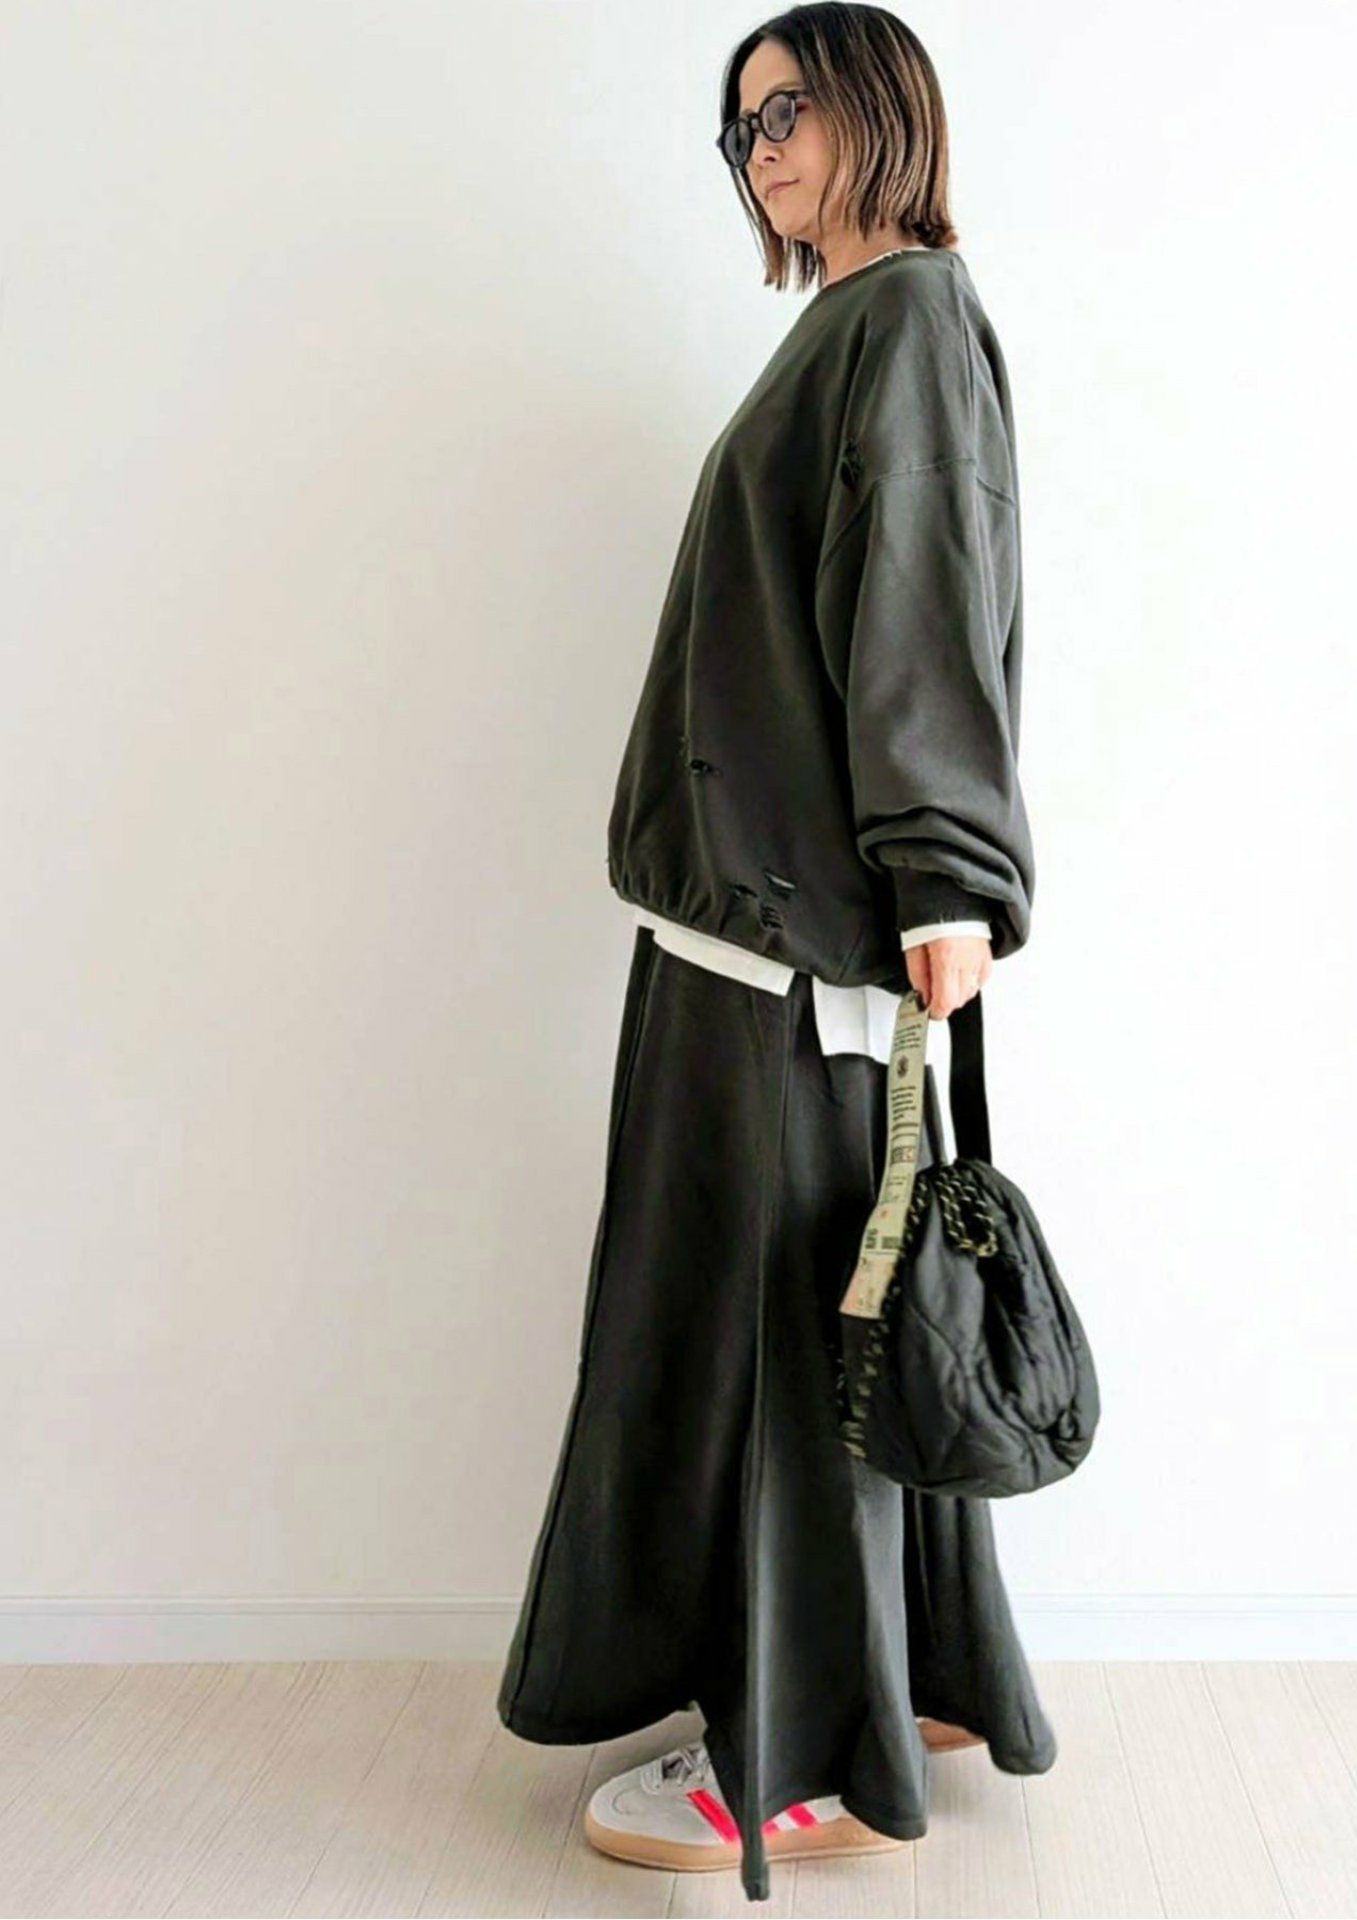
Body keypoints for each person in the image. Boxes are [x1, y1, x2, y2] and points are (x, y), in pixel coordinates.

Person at [497, 4, 1055, 1901]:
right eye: (740, 128)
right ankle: (918, 1684)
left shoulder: (907, 319)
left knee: (785, 1350)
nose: (762, 150)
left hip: (794, 951)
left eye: (790, 108)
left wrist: (945, 879)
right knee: (842, 1318)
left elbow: (924, 594)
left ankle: (805, 1763)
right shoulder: (851, 324)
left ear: (884, 106)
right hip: (749, 933)